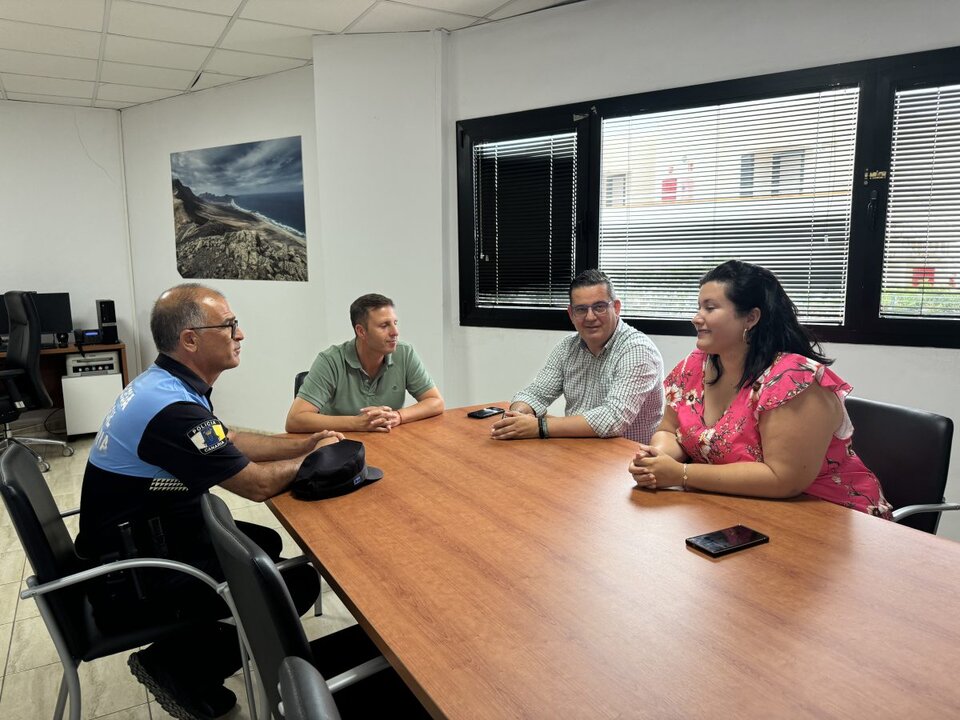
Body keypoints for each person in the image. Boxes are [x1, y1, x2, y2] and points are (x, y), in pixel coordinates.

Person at [76, 283, 340, 720]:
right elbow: (254, 485)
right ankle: (176, 666)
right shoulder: (171, 411)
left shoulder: (165, 385)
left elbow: (227, 439)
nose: (241, 334)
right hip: (136, 575)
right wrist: (313, 459)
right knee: (294, 584)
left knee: (267, 545)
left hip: (141, 539)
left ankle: (191, 647)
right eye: (230, 325)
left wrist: (300, 445)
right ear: (191, 340)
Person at [629, 260, 892, 517]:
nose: (696, 318)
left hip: (823, 512)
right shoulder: (693, 367)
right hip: (732, 505)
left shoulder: (794, 380)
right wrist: (656, 460)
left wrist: (681, 475)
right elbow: (669, 430)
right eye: (699, 307)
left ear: (751, 318)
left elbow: (783, 478)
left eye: (710, 308)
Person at [492, 269, 664, 443]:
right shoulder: (567, 347)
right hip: (576, 449)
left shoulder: (638, 350)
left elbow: (613, 419)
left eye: (599, 307)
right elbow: (535, 393)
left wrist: (539, 427)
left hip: (626, 461)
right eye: (581, 309)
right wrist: (518, 416)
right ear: (571, 314)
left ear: (616, 308)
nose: (590, 317)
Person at [286, 293, 443, 433]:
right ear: (361, 331)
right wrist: (357, 422)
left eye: (395, 323)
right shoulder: (330, 360)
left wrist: (398, 416)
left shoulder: (404, 353)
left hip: (388, 441)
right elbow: (295, 420)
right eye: (384, 325)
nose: (395, 332)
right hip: (340, 445)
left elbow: (435, 402)